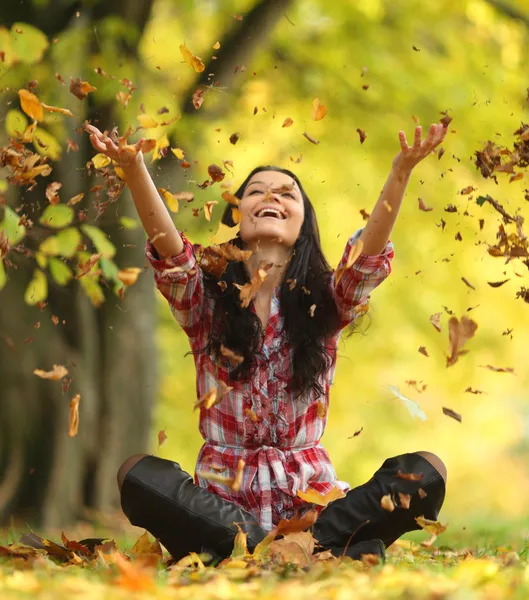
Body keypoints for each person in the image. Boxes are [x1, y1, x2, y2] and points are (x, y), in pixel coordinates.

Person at [85, 120, 449, 562]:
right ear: (237, 217)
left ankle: (304, 546)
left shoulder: (326, 301)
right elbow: (172, 255)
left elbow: (367, 259)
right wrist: (134, 168)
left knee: (426, 471)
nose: (271, 196)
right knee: (137, 474)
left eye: (286, 193)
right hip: (226, 513)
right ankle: (267, 550)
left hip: (315, 512)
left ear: (303, 223)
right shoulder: (206, 301)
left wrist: (402, 170)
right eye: (256, 191)